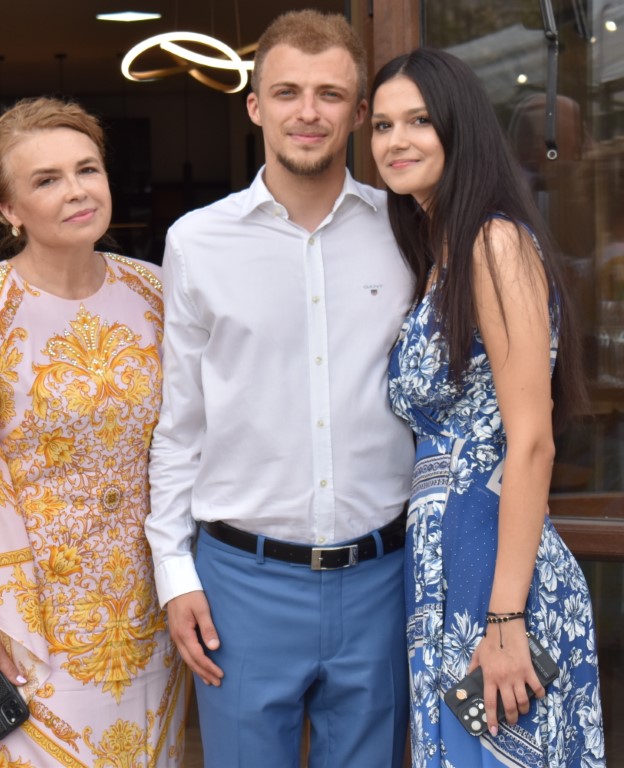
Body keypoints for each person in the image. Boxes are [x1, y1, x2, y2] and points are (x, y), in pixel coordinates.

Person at [146, 10, 415, 766]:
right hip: (241, 585)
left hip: (381, 580)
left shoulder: (408, 233)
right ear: (256, 106)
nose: (308, 112)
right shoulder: (197, 242)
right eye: (288, 92)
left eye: (330, 94)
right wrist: (174, 573)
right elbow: (180, 424)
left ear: (359, 114)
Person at [0, 97, 187, 766]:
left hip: (144, 619)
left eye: (87, 169)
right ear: (8, 210)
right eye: (47, 180)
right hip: (19, 625)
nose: (77, 191)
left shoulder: (159, 294)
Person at [370, 48, 604, 767]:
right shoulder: (438, 255)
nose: (396, 140)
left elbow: (531, 441)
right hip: (443, 565)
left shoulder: (494, 243)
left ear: (459, 128)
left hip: (496, 573)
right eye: (382, 125)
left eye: (419, 121)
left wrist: (505, 617)